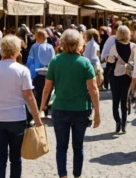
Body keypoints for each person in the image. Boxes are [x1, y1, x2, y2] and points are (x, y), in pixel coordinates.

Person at [40, 29, 102, 178]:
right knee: (78, 146)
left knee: (61, 147)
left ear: (62, 44)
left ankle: (63, 176)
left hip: (60, 108)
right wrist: (98, 113)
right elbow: (93, 89)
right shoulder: (85, 62)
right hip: (81, 109)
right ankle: (76, 175)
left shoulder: (55, 61)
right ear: (79, 44)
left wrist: (42, 107)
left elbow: (47, 88)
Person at [0, 35, 44, 178]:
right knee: (15, 158)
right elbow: (29, 97)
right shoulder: (22, 70)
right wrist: (37, 118)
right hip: (16, 118)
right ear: (17, 50)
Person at [105, 25, 136, 134]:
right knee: (124, 101)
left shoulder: (114, 46)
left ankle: (118, 122)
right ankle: (124, 124)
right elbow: (135, 61)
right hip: (127, 75)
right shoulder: (133, 46)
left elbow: (110, 63)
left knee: (115, 101)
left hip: (115, 76)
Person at [26, 29, 55, 116]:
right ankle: (45, 107)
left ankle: (40, 108)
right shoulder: (50, 46)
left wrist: (27, 67)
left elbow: (30, 59)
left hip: (37, 73)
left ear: (37, 37)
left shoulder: (34, 47)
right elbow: (53, 59)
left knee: (38, 92)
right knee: (48, 90)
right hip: (49, 72)